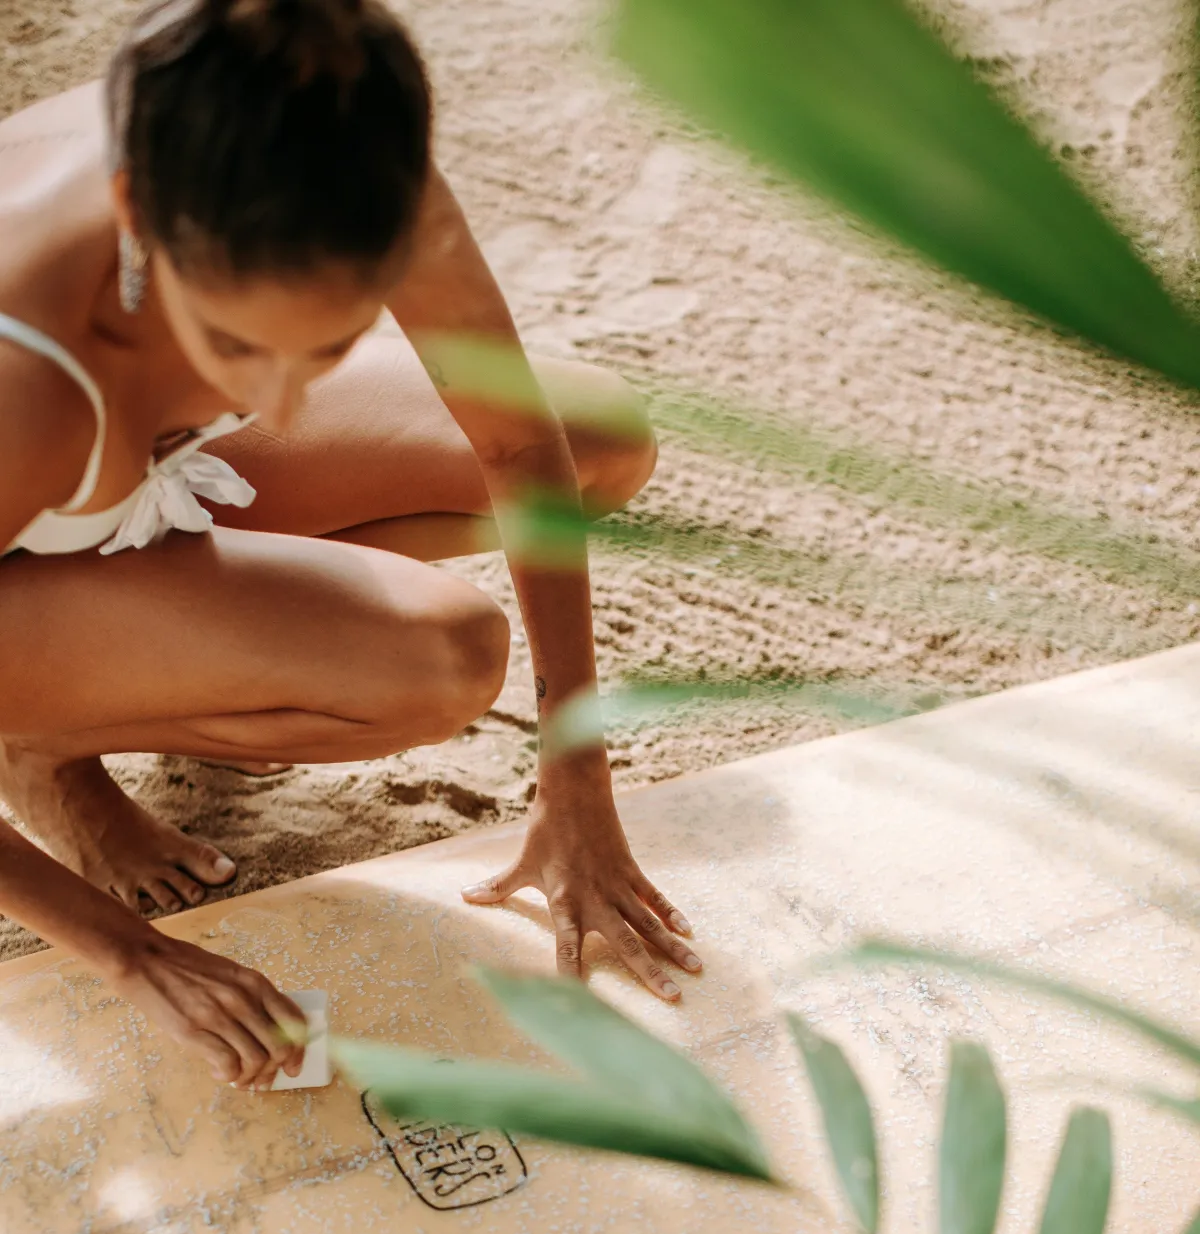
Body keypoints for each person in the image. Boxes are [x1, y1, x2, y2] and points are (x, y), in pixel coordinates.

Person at [0, 0, 703, 1091]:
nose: (277, 400)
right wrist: (132, 954)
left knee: (599, 439)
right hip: (24, 506)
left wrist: (575, 777)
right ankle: (37, 748)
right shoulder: (23, 383)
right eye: (237, 342)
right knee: (441, 658)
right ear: (140, 213)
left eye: (325, 345)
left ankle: (131, 654)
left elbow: (520, 443)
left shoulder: (352, 157)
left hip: (100, 485)